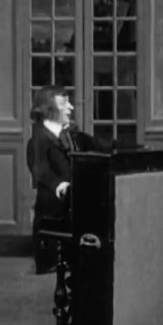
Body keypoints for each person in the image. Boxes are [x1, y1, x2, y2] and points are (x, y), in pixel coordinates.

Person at [26, 87, 110, 274]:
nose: (70, 107)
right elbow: (39, 169)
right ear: (48, 107)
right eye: (64, 103)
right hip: (52, 216)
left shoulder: (71, 134)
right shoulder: (38, 139)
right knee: (56, 260)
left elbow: (98, 145)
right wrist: (59, 184)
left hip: (72, 211)